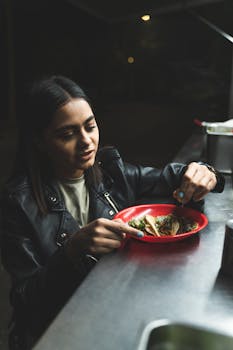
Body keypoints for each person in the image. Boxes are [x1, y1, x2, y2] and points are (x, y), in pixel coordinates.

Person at [0, 75, 224, 350]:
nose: (86, 142)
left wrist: (203, 172)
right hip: (54, 332)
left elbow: (171, 179)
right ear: (39, 141)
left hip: (108, 310)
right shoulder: (17, 202)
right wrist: (72, 251)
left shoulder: (110, 172)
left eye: (90, 126)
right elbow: (26, 300)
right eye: (67, 134)